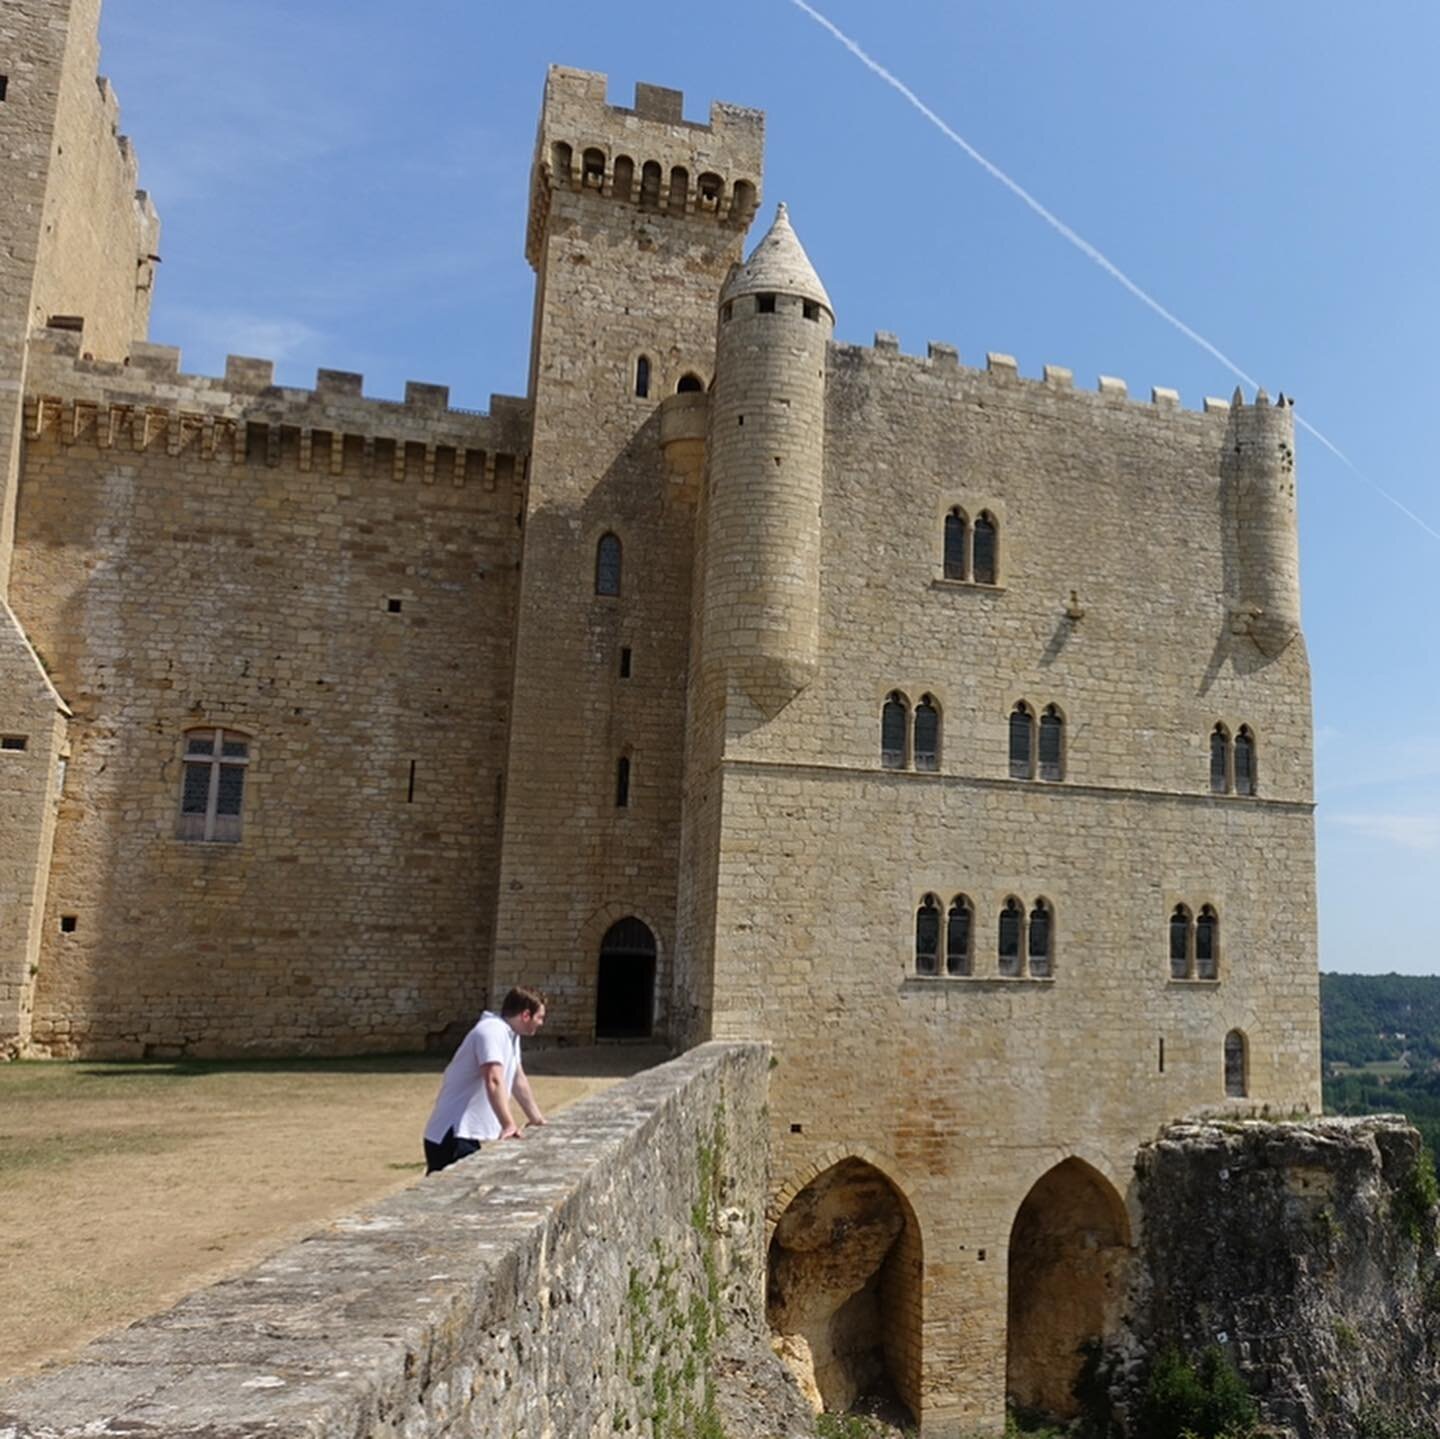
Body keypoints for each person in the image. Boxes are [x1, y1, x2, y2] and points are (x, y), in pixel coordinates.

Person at [422, 986, 548, 1173]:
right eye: (540, 1017)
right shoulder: (491, 1031)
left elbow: (517, 1079)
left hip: (464, 1135)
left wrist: (536, 1119)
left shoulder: (510, 1035)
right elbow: (493, 1078)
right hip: (453, 1133)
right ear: (526, 1015)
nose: (541, 1023)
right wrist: (508, 1125)